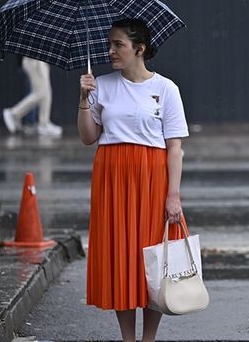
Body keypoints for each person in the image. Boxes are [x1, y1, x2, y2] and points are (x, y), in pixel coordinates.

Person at [77, 18, 189, 342]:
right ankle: (127, 338)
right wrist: (85, 98)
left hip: (152, 177)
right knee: (120, 255)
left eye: (118, 45)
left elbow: (175, 149)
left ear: (139, 49)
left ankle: (149, 338)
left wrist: (174, 195)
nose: (110, 50)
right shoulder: (102, 85)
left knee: (153, 257)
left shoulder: (166, 89)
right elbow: (88, 137)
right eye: (109, 44)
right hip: (112, 177)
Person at [2, 56, 63, 136]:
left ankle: (44, 123)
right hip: (35, 59)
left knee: (46, 92)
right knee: (40, 93)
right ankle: (14, 113)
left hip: (39, 59)